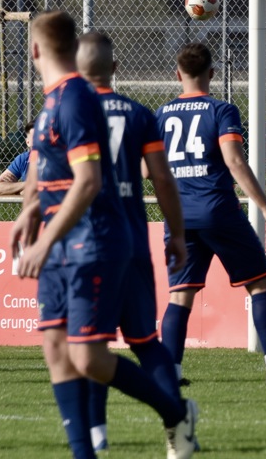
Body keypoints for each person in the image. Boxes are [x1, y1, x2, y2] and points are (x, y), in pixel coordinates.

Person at [11, 11, 196, 459]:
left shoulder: (74, 100)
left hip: (92, 238)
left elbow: (88, 180)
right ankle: (86, 449)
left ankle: (173, 414)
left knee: (89, 355)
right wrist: (30, 210)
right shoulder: (58, 103)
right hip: (70, 239)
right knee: (59, 348)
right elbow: (49, 171)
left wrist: (44, 237)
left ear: (35, 50)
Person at [157, 43, 266, 387]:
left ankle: (170, 372)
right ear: (212, 73)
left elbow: (145, 167)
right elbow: (235, 160)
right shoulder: (221, 109)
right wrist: (265, 207)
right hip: (218, 210)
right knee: (259, 284)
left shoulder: (162, 114)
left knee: (180, 295)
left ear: (177, 74)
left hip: (179, 216)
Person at [76, 31, 188, 453]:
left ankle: (96, 434)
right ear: (115, 69)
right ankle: (176, 429)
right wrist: (176, 233)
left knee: (93, 341)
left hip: (89, 241)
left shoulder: (66, 110)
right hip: (134, 238)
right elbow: (161, 178)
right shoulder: (140, 114)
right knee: (144, 340)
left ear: (76, 70)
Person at [0, 121, 35, 195]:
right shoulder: (23, 159)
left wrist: (17, 189)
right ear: (28, 142)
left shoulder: (58, 158)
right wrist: (29, 185)